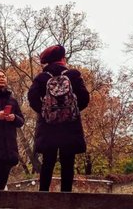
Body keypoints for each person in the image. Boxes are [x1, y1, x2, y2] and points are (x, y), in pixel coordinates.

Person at [28, 44, 89, 192]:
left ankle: (42, 196)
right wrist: (71, 112)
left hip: (49, 127)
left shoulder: (42, 78)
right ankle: (66, 198)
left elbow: (32, 98)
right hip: (70, 127)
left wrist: (45, 112)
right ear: (63, 58)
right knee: (68, 162)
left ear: (48, 61)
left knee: (48, 161)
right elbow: (85, 98)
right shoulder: (73, 75)